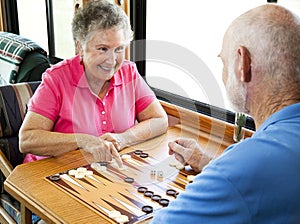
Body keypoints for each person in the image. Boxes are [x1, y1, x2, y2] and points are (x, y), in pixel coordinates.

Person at [152, 4, 300, 223]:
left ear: (243, 63)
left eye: (223, 61)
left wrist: (224, 172)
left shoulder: (245, 167)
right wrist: (207, 161)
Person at [19, 0, 168, 167]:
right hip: (50, 174)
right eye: (102, 49)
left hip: (102, 170)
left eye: (119, 49)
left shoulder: (129, 72)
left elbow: (159, 120)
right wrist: (82, 140)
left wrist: (123, 138)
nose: (112, 61)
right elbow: (27, 140)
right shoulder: (56, 79)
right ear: (80, 47)